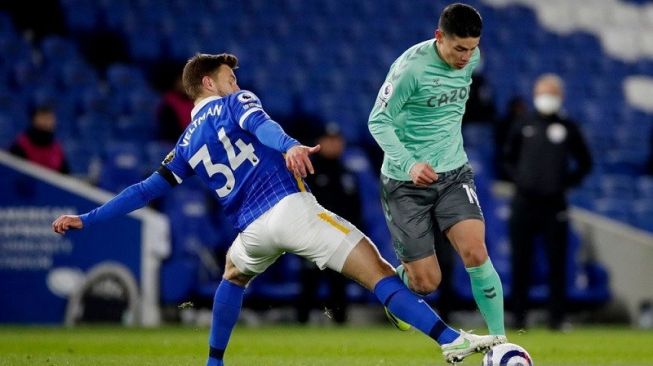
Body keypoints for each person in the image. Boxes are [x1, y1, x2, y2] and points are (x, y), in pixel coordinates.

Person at [52, 53, 501, 365]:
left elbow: (144, 192)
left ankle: (213, 362)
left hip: (251, 229)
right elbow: (260, 125)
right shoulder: (235, 102)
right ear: (209, 83)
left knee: (233, 272)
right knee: (381, 273)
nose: (237, 83)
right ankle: (450, 340)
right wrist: (289, 146)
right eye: (230, 77)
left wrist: (87, 219)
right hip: (290, 210)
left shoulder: (185, 143)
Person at [367, 3, 507, 341]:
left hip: (453, 173)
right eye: (459, 48)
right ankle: (399, 286)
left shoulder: (473, 58)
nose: (466, 57)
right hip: (405, 181)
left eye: (472, 48)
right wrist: (410, 164)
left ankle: (500, 342)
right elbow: (377, 121)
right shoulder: (410, 70)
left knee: (476, 251)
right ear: (438, 37)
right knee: (426, 282)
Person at [502, 73, 592, 330]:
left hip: (555, 205)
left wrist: (565, 182)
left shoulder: (568, 126)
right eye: (542, 92)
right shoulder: (523, 123)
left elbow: (585, 161)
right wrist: (519, 179)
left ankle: (557, 318)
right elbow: (506, 157)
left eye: (550, 93)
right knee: (521, 261)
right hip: (523, 203)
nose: (546, 98)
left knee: (557, 263)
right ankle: (518, 317)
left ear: (560, 96)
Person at [295, 122, 359, 325]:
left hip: (341, 239)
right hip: (313, 237)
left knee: (339, 285)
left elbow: (356, 211)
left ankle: (341, 327)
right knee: (309, 283)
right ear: (319, 142)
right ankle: (300, 325)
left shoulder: (347, 174)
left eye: (336, 140)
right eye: (328, 140)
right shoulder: (309, 172)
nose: (333, 144)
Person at [9, 106, 70, 174]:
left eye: (50, 118)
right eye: (43, 117)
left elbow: (65, 177)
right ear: (34, 119)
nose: (46, 122)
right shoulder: (21, 145)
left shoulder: (57, 149)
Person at [157, 71, 194, 143]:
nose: (185, 84)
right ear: (176, 82)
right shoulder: (168, 101)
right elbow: (167, 127)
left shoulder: (197, 99)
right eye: (182, 80)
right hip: (175, 142)